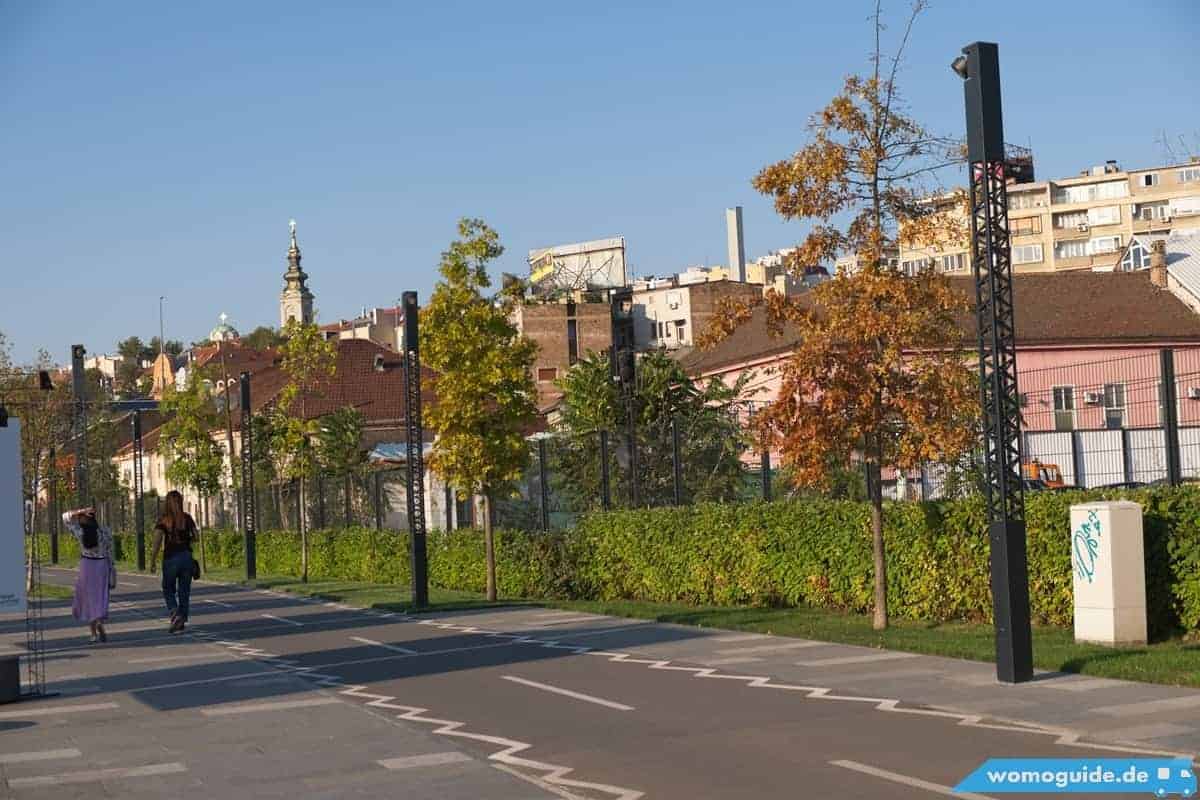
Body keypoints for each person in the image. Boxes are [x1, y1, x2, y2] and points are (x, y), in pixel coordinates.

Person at [62, 507, 115, 643]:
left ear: (84, 518)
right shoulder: (105, 531)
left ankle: (93, 633)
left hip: (87, 565)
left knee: (88, 599)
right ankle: (98, 623)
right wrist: (112, 571)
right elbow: (110, 552)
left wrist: (80, 511)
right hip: (102, 565)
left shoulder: (80, 531)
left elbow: (65, 517)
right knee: (99, 598)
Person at [150, 491, 197, 634]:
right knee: (184, 591)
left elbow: (157, 541)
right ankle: (181, 620)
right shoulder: (187, 518)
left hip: (171, 558)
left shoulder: (164, 520)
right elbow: (196, 536)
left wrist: (152, 560)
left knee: (167, 588)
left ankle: (175, 613)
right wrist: (187, 539)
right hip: (187, 557)